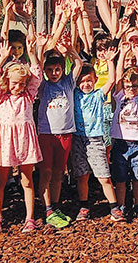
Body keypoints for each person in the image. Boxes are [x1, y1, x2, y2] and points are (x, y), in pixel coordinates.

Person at [0, 39, 44, 233]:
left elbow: (37, 75)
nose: (18, 87)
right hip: (5, 142)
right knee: (1, 179)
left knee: (27, 179)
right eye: (14, 83)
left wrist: (32, 52)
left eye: (21, 83)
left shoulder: (28, 96)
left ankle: (30, 217)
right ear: (7, 81)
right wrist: (2, 58)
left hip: (24, 141)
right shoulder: (0, 98)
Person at [72, 55, 124, 223]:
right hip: (78, 139)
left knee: (103, 176)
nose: (85, 84)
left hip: (95, 140)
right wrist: (72, 53)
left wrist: (110, 60)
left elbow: (112, 79)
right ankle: (84, 205)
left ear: (95, 80)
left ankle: (114, 206)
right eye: (82, 81)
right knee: (82, 175)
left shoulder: (98, 95)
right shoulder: (74, 95)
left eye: (89, 80)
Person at [37, 47, 81, 229]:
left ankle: (55, 205)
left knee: (58, 172)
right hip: (47, 133)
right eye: (50, 70)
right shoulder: (42, 85)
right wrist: (41, 50)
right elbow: (36, 67)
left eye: (57, 70)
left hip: (65, 133)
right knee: (45, 171)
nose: (54, 73)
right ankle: (46, 208)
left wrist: (70, 49)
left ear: (63, 70)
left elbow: (78, 63)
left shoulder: (68, 83)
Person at [110, 43, 138, 219]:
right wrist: (123, 53)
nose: (131, 89)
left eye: (135, 86)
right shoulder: (120, 97)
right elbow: (119, 77)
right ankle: (121, 205)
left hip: (137, 144)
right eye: (128, 87)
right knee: (120, 178)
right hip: (120, 143)